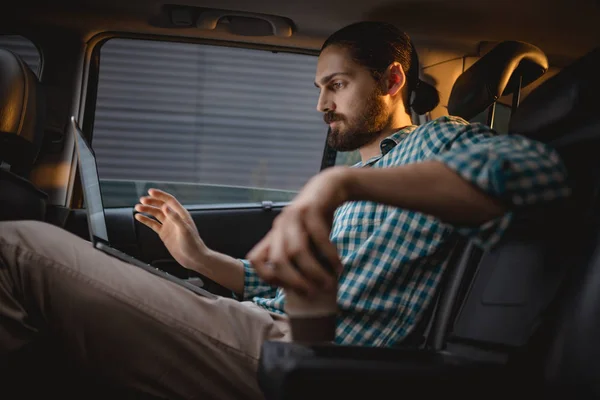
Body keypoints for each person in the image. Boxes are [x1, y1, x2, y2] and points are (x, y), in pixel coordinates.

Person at [0, 21, 570, 399]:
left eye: (337, 85)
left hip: (308, 357)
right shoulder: (367, 172)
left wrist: (340, 188)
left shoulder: (441, 141)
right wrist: (197, 257)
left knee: (16, 249)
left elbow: (543, 175)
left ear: (393, 80)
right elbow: (278, 285)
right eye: (320, 87)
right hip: (271, 323)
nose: (321, 104)